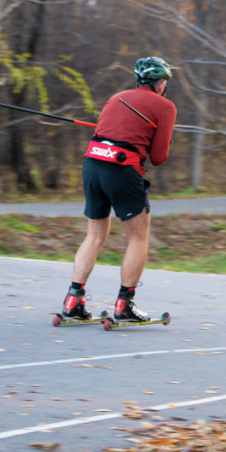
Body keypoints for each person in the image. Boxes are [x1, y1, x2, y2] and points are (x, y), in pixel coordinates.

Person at [61, 56, 177, 323]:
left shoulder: (116, 98)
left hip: (92, 163)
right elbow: (158, 157)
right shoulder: (165, 106)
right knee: (138, 238)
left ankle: (72, 301)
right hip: (121, 168)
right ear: (160, 83)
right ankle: (124, 304)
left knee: (94, 235)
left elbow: (111, 131)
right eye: (165, 82)